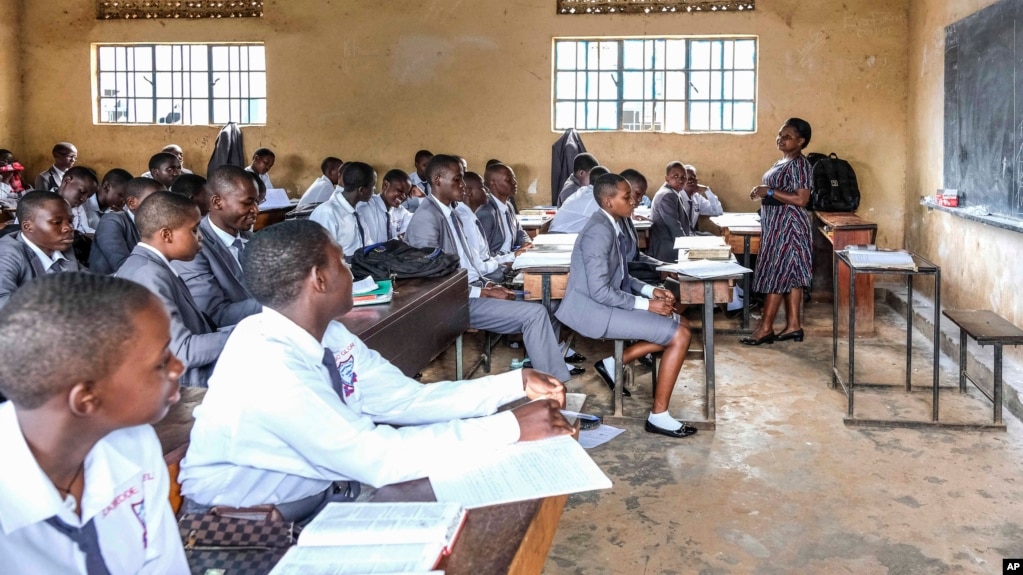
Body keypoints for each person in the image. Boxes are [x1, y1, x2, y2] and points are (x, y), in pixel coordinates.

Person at [178, 220, 572, 520]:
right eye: (343, 263)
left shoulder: (329, 335)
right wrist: (510, 427)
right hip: (244, 525)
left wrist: (514, 384)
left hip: (312, 495)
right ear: (319, 280)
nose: (354, 273)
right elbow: (375, 457)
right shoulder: (265, 361)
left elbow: (406, 400)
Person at [0, 273, 188, 573]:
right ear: (86, 399)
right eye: (161, 362)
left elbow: (163, 566)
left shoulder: (135, 443)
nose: (179, 367)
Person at [406, 155, 571, 383]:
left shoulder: (452, 213)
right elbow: (430, 280)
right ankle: (552, 385)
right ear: (437, 180)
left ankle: (547, 372)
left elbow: (469, 265)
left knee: (543, 303)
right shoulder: (427, 219)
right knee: (535, 314)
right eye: (457, 180)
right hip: (450, 303)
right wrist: (482, 292)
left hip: (471, 289)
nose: (463, 186)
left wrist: (487, 284)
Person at [556, 173, 697, 438]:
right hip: (593, 311)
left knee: (682, 323)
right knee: (679, 334)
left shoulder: (612, 223)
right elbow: (599, 291)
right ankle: (659, 416)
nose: (633, 200)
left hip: (604, 304)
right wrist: (647, 305)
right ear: (609, 201)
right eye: (627, 196)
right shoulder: (599, 231)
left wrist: (650, 290)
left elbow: (621, 274)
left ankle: (613, 363)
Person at [115, 191, 232, 387]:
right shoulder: (149, 275)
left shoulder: (150, 266)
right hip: (183, 389)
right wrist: (248, 333)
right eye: (194, 230)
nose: (200, 237)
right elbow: (181, 352)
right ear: (167, 235)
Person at [741, 118, 814, 346]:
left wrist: (769, 191)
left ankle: (765, 329)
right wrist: (762, 192)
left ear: (801, 141)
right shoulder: (783, 161)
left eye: (787, 136)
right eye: (780, 135)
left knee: (776, 275)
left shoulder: (800, 165)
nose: (781, 139)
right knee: (791, 277)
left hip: (789, 227)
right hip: (777, 224)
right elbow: (776, 191)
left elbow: (801, 199)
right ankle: (794, 326)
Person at [173, 165, 262, 327]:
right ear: (217, 202)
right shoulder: (193, 248)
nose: (256, 210)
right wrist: (280, 304)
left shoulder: (251, 238)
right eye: (248, 203)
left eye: (257, 202)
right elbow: (214, 314)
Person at [0, 191, 80, 308]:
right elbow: (3, 302)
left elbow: (82, 279)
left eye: (70, 221)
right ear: (28, 227)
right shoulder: (8, 254)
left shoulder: (59, 246)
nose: (68, 228)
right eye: (57, 222)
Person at [89, 177, 165, 274]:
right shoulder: (111, 221)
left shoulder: (156, 226)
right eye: (154, 202)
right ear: (131, 203)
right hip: (108, 285)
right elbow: (123, 265)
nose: (162, 207)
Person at [310, 161, 375, 258]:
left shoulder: (356, 212)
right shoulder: (327, 213)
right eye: (373, 186)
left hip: (361, 266)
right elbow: (321, 256)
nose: (374, 190)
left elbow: (367, 244)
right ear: (361, 190)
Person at [620, 169, 666, 284]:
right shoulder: (609, 223)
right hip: (624, 276)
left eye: (643, 195)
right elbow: (622, 266)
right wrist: (658, 269)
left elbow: (636, 255)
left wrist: (662, 265)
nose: (640, 200)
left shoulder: (626, 218)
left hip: (632, 273)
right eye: (637, 194)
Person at [478, 163, 533, 257]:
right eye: (509, 179)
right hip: (497, 267)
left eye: (514, 179)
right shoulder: (486, 212)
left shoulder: (508, 206)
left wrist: (527, 243)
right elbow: (484, 255)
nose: (515, 183)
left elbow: (520, 232)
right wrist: (512, 255)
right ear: (493, 184)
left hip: (510, 260)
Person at [649, 161, 699, 263]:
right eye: (675, 176)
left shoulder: (673, 192)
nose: (681, 180)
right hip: (668, 250)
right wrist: (688, 249)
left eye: (683, 177)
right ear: (667, 178)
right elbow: (675, 227)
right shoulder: (667, 195)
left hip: (672, 245)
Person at [548, 165, 610, 234]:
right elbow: (608, 218)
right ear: (605, 185)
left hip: (559, 232)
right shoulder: (593, 197)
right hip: (560, 236)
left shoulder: (584, 190)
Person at [356, 168, 412, 244]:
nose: (403, 196)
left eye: (406, 194)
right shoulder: (365, 207)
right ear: (386, 185)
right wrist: (398, 238)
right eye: (399, 190)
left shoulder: (402, 212)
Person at [55, 166, 100, 236]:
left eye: (88, 197)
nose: (84, 199)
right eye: (82, 192)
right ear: (67, 180)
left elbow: (84, 228)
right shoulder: (45, 205)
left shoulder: (78, 207)